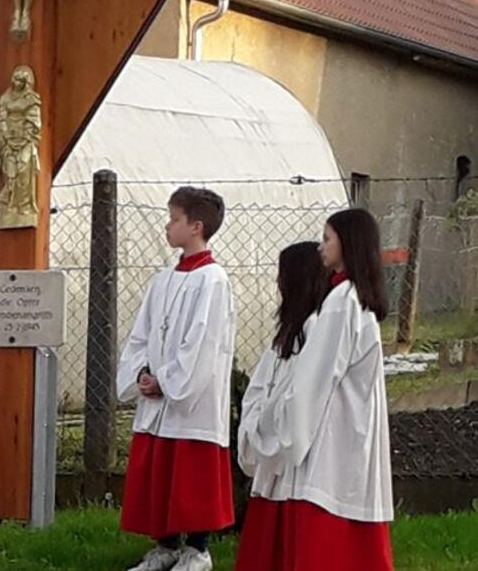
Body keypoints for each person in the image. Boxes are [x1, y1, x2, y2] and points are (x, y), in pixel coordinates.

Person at [234, 210, 394, 571]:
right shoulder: (352, 301)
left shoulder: (341, 303)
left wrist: (280, 434)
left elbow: (313, 382)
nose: (321, 247)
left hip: (329, 440)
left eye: (327, 238)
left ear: (348, 244)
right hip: (344, 433)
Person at [116, 187, 236, 571]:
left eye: (174, 219)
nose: (167, 226)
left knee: (190, 476)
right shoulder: (162, 281)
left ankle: (197, 550)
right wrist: (141, 375)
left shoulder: (213, 280)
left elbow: (202, 343)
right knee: (159, 471)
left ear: (196, 226)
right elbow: (142, 335)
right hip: (158, 397)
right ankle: (165, 545)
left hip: (191, 400)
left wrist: (167, 381)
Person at [235, 241, 326, 565]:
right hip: (271, 447)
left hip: (293, 460)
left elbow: (300, 396)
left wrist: (266, 427)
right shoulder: (288, 333)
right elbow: (262, 385)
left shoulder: (317, 331)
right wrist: (256, 424)